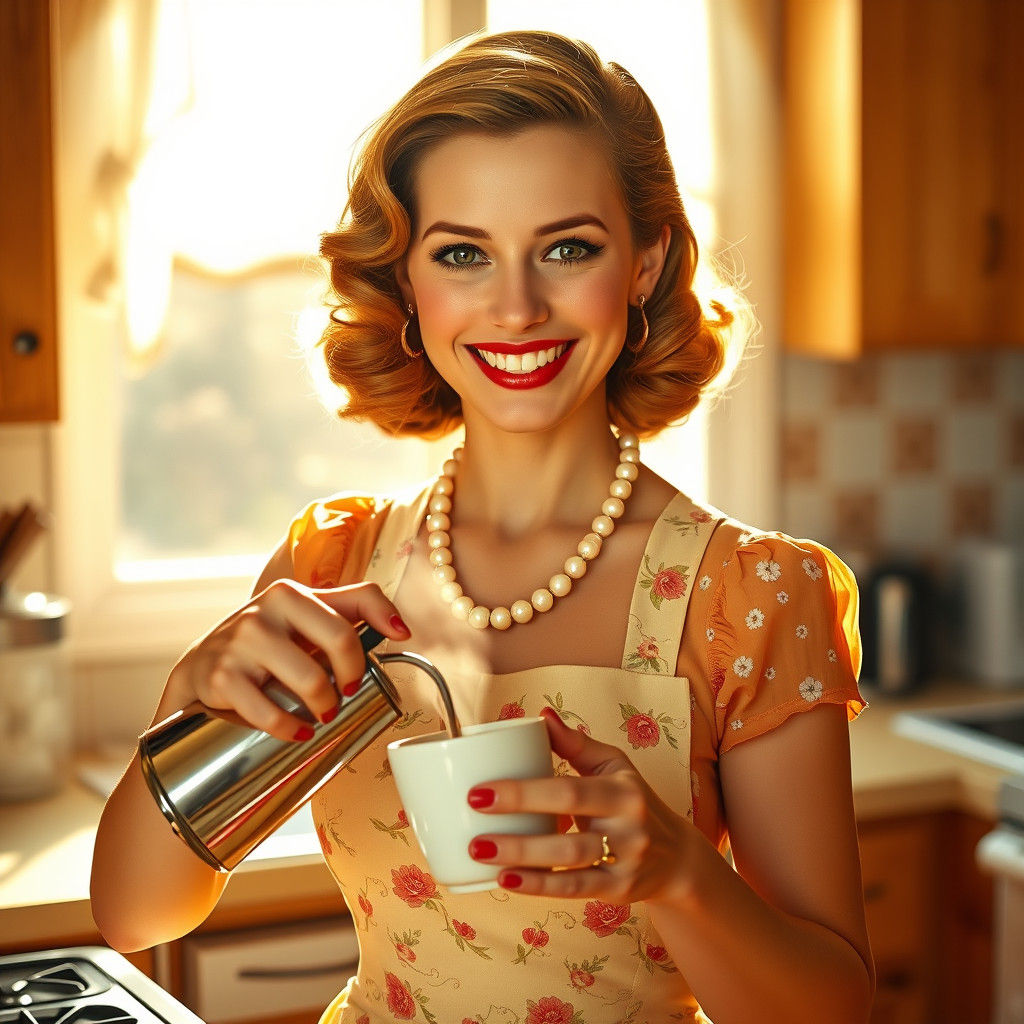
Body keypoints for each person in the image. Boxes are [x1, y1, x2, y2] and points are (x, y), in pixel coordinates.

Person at [92, 29, 874, 1024]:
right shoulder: (333, 565)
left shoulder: (750, 595)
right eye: (462, 253)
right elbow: (135, 912)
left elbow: (833, 1010)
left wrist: (680, 873)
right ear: (408, 290)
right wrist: (188, 696)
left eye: (567, 248)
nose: (514, 306)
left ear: (642, 264)